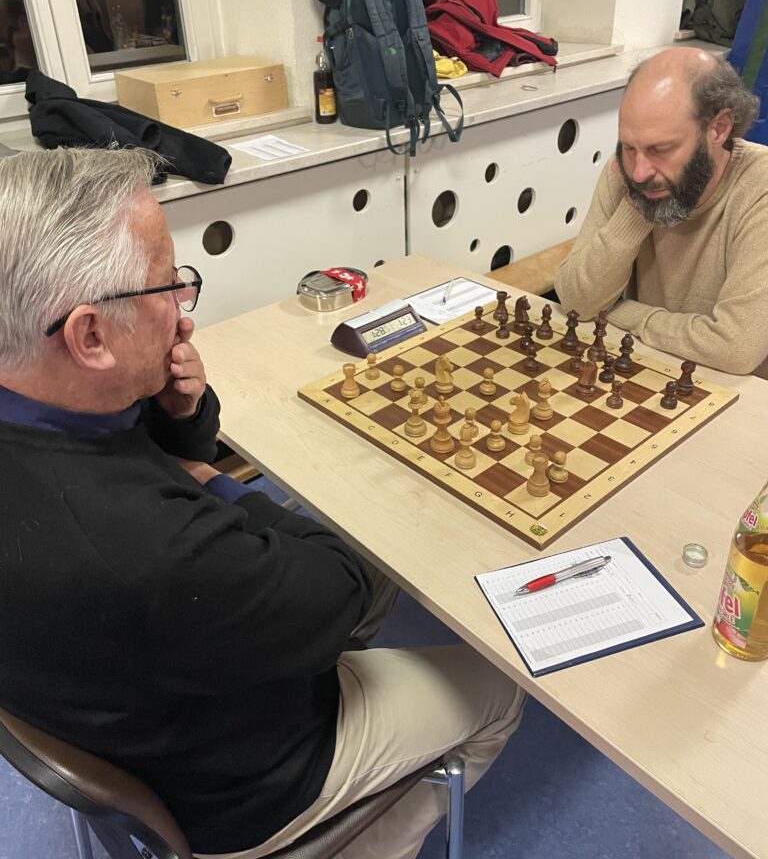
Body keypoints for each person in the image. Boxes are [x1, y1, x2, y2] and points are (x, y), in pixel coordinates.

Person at [0, 147, 525, 859]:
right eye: (167, 285)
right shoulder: (143, 550)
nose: (184, 313)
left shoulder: (41, 394)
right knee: (495, 686)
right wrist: (207, 477)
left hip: (127, 691)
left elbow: (136, 455)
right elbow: (337, 585)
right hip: (244, 783)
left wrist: (180, 416)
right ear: (89, 335)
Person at [554, 47, 766, 375]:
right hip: (648, 369)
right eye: (629, 147)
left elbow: (735, 348)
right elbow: (576, 301)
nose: (639, 172)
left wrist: (618, 312)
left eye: (660, 149)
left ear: (719, 128)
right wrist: (640, 204)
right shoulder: (628, 174)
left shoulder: (759, 189)